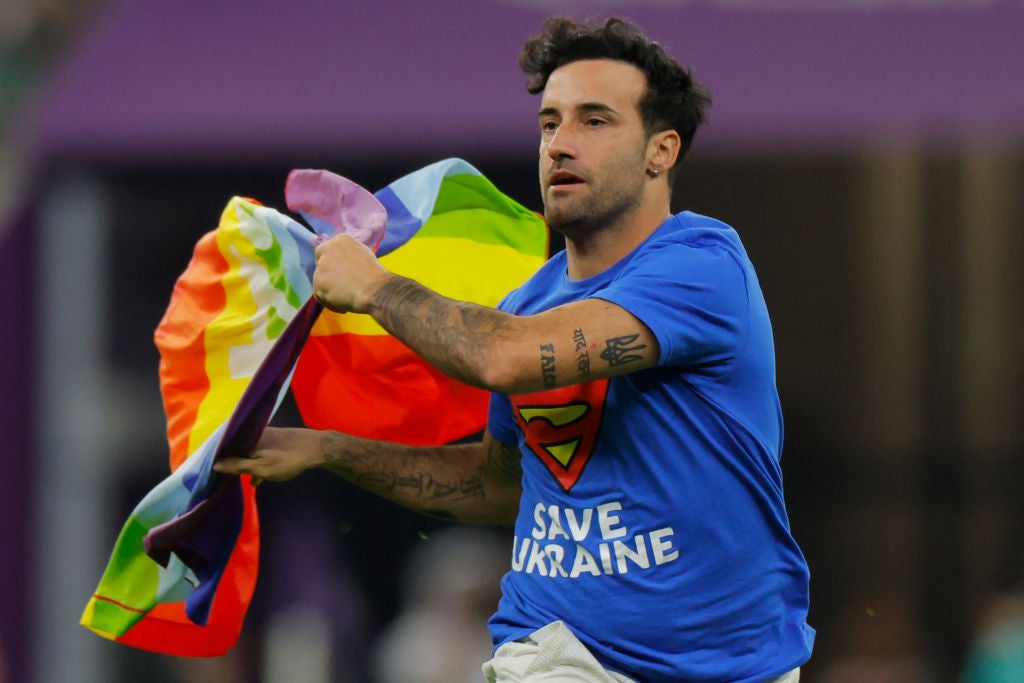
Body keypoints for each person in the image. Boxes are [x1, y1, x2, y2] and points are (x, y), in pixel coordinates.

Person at [215, 16, 814, 683]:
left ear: (661, 151)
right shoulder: (527, 303)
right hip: (561, 653)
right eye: (549, 123)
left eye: (594, 121)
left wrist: (376, 288)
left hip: (737, 664)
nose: (560, 143)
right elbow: (501, 484)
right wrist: (327, 447)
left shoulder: (703, 266)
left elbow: (506, 358)